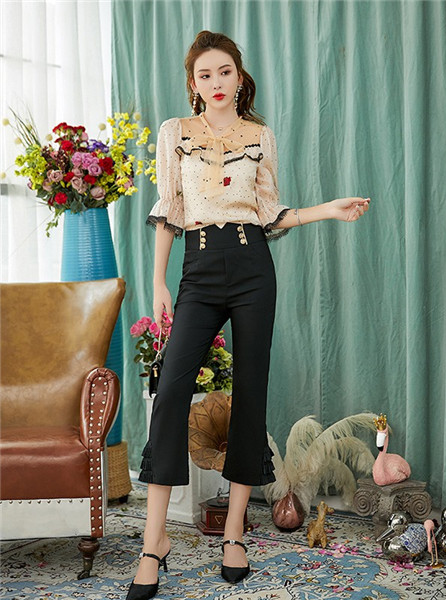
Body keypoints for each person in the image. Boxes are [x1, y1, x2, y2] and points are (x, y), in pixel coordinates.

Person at [126, 30, 370, 600]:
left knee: (250, 394)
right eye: (204, 75)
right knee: (171, 392)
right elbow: (170, 208)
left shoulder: (260, 136)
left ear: (239, 77)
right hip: (198, 268)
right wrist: (159, 282)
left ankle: (234, 531)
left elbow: (270, 211)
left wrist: (327, 210)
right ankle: (153, 541)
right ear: (193, 84)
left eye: (224, 72)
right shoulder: (175, 132)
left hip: (253, 267)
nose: (215, 82)